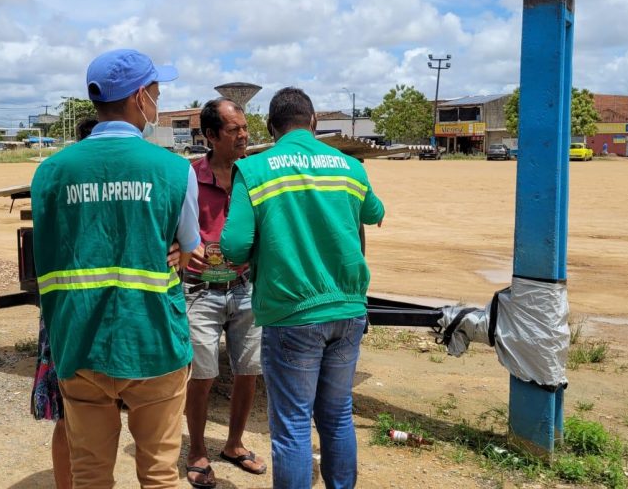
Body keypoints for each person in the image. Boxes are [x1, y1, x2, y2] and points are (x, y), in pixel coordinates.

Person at [30, 48, 201, 489]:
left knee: (89, 474)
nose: (157, 104)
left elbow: (50, 253)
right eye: (157, 93)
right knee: (160, 473)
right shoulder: (174, 170)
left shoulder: (50, 173)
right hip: (154, 342)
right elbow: (191, 248)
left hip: (78, 343)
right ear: (140, 96)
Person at [220, 87, 385, 488]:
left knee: (294, 423)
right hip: (347, 310)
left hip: (291, 314)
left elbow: (234, 247)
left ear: (272, 129)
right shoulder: (349, 167)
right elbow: (375, 213)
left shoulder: (255, 170)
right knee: (337, 414)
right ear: (312, 123)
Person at [183, 98, 265, 488]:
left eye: (245, 128)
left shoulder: (253, 175)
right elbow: (170, 227)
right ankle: (196, 450)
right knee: (202, 375)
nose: (244, 136)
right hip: (200, 291)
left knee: (249, 370)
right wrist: (183, 247)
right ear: (211, 136)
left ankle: (233, 444)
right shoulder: (187, 177)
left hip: (245, 287)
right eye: (234, 130)